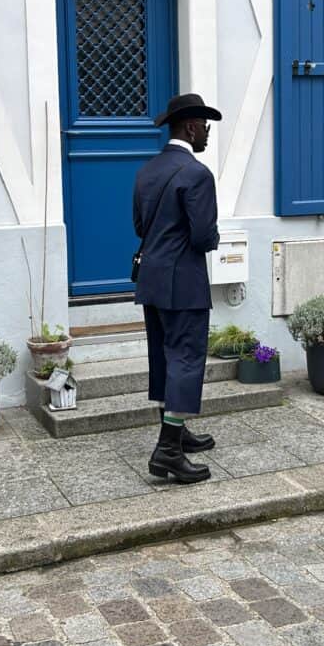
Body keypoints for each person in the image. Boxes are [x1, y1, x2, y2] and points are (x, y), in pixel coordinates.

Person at [133, 93, 222, 484]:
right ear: (190, 126)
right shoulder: (197, 173)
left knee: (165, 359)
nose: (207, 133)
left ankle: (178, 431)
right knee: (186, 358)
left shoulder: (147, 170)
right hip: (183, 280)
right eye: (205, 126)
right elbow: (203, 237)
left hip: (152, 278)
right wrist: (214, 235)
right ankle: (168, 450)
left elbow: (140, 228)